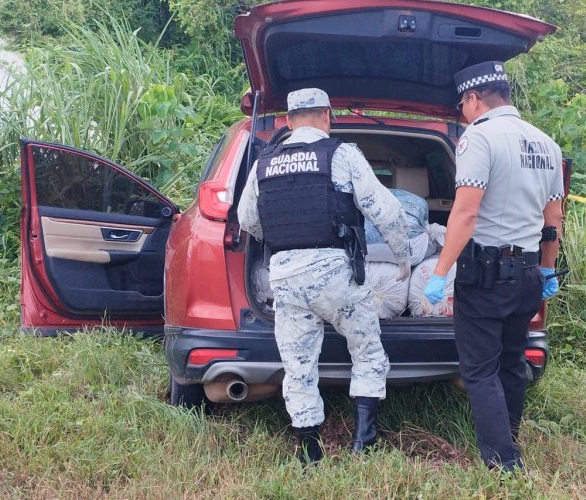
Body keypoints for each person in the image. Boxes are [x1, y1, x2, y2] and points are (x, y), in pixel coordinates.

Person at [237, 88, 411, 465]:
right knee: (367, 354)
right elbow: (386, 211)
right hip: (338, 278)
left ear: (287, 120)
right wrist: (403, 260)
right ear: (327, 116)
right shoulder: (342, 154)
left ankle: (309, 448)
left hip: (285, 278)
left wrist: (285, 241)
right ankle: (364, 440)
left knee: (299, 366)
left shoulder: (264, 163)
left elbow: (247, 219)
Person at [423, 61, 564, 471]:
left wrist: (438, 272)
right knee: (510, 362)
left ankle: (502, 463)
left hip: (486, 276)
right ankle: (509, 440)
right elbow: (552, 220)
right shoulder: (545, 143)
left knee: (480, 369)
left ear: (473, 99)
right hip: (526, 274)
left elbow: (465, 214)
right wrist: (547, 270)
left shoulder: (479, 138)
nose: (462, 112)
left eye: (461, 104)